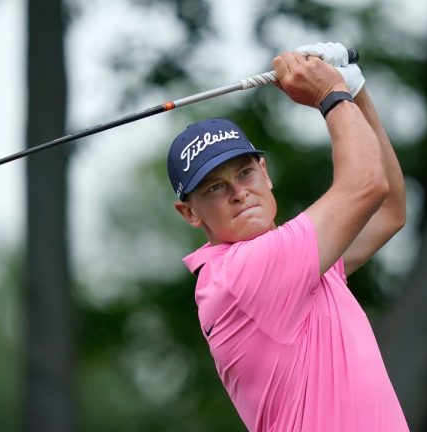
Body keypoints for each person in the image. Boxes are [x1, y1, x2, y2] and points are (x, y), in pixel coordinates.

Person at [166, 42, 409, 431]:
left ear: (265, 172)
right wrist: (331, 96)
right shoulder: (240, 274)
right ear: (189, 212)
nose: (238, 192)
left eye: (244, 173)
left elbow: (388, 211)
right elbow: (366, 187)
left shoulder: (305, 262)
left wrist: (354, 90)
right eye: (214, 188)